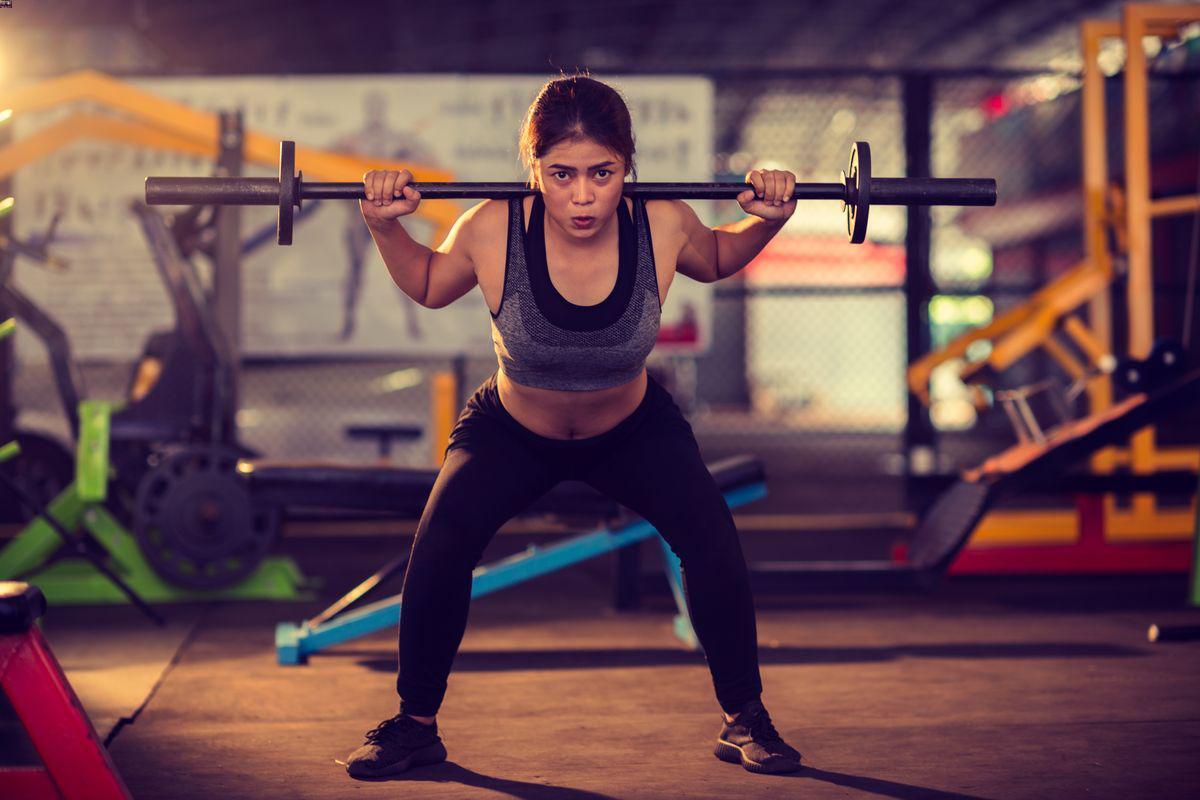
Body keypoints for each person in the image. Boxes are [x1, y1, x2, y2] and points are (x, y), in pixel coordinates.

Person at [343, 72, 802, 779]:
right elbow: (432, 286)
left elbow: (715, 259)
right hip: (511, 431)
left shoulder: (663, 222)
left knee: (712, 541)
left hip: (634, 428)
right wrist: (382, 224)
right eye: (560, 174)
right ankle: (414, 724)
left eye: (602, 173)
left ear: (627, 167)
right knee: (439, 546)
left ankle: (746, 717)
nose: (582, 195)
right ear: (535, 169)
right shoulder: (493, 226)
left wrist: (768, 216)